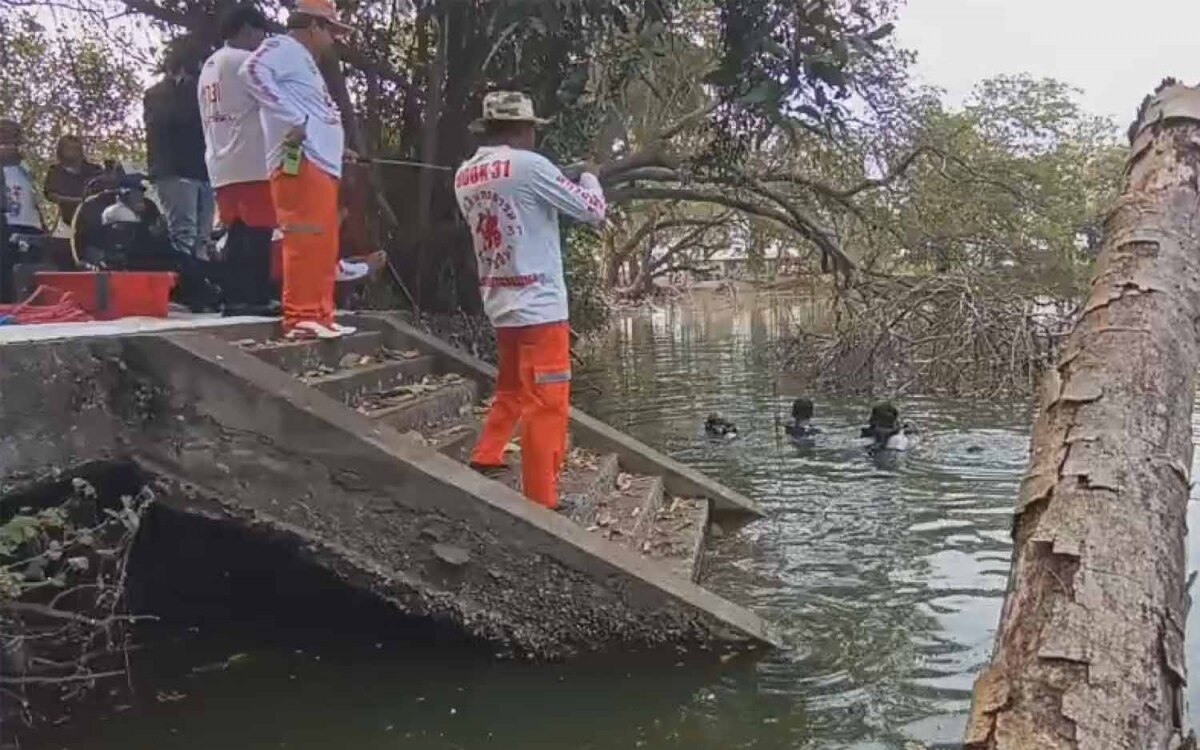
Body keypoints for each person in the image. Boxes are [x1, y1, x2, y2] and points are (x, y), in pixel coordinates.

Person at [454, 91, 607, 510]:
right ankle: (543, 500)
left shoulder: (465, 174)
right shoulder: (530, 165)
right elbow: (593, 211)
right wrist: (589, 175)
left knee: (512, 387)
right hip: (541, 307)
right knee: (547, 405)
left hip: (500, 301)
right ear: (523, 129)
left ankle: (488, 453)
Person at [240, 0, 356, 340]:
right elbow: (251, 72)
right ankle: (301, 315)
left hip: (320, 161)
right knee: (305, 236)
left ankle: (321, 312)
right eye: (331, 30)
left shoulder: (305, 62)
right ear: (314, 26)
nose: (334, 39)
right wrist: (292, 118)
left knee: (323, 240)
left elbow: (316, 113)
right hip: (300, 160)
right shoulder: (282, 47)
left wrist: (337, 146)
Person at [199, 4, 277, 317]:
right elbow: (274, 101)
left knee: (237, 231)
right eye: (261, 32)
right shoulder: (246, 62)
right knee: (258, 232)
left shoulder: (209, 65)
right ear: (246, 28)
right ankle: (255, 298)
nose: (262, 40)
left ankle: (234, 296)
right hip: (250, 160)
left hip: (220, 161)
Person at [145, 35, 214, 260]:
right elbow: (172, 119)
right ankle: (183, 283)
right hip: (173, 171)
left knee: (203, 235)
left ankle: (202, 281)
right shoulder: (157, 94)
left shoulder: (202, 93)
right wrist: (187, 87)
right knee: (183, 231)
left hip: (202, 169)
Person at [0, 120, 46, 302]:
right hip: (7, 223)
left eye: (13, 133)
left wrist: (42, 222)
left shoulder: (24, 166)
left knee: (28, 271)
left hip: (28, 223)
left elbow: (33, 195)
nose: (8, 136)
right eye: (4, 132)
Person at [43, 135, 104, 237]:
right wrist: (74, 200)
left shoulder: (94, 170)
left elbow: (103, 193)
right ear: (61, 151)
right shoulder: (56, 171)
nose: (72, 152)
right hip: (68, 222)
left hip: (94, 222)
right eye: (69, 149)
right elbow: (51, 194)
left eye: (75, 149)